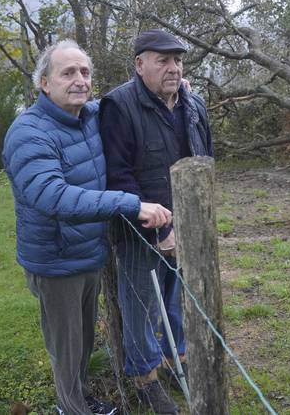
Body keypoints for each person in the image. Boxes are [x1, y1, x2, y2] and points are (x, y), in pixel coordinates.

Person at [3, 39, 172, 415]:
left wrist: (171, 84)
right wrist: (131, 204)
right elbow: (55, 197)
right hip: (56, 262)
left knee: (82, 343)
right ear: (44, 83)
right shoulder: (29, 133)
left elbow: (121, 101)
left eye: (84, 72)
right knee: (67, 348)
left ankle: (80, 400)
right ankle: (71, 408)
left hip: (87, 255)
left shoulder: (89, 116)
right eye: (67, 72)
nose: (79, 80)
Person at [100, 29, 213, 414]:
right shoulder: (118, 105)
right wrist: (160, 227)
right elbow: (117, 174)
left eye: (177, 60)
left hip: (187, 225)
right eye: (162, 60)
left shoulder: (193, 105)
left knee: (177, 298)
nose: (173, 68)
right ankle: (144, 376)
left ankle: (175, 358)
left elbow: (205, 160)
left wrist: (192, 223)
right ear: (139, 64)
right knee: (141, 303)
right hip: (139, 228)